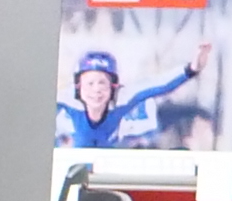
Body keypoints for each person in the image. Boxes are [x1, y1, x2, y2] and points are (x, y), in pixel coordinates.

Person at [59, 42, 205, 149]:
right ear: (78, 86)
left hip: (111, 159)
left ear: (113, 86)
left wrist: (192, 69)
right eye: (90, 84)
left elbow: (160, 84)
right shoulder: (66, 98)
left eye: (102, 83)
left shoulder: (123, 97)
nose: (96, 90)